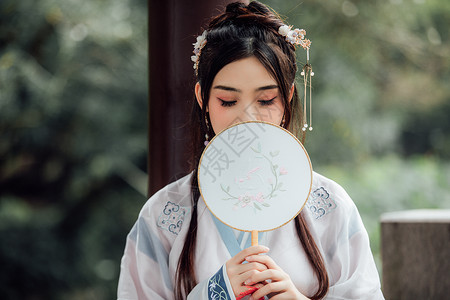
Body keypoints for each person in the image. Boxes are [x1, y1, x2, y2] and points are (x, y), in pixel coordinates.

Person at [117, 2, 385, 300]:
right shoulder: (164, 214)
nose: (247, 117)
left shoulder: (330, 206)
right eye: (228, 101)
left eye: (266, 100)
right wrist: (214, 292)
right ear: (202, 100)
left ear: (288, 98)